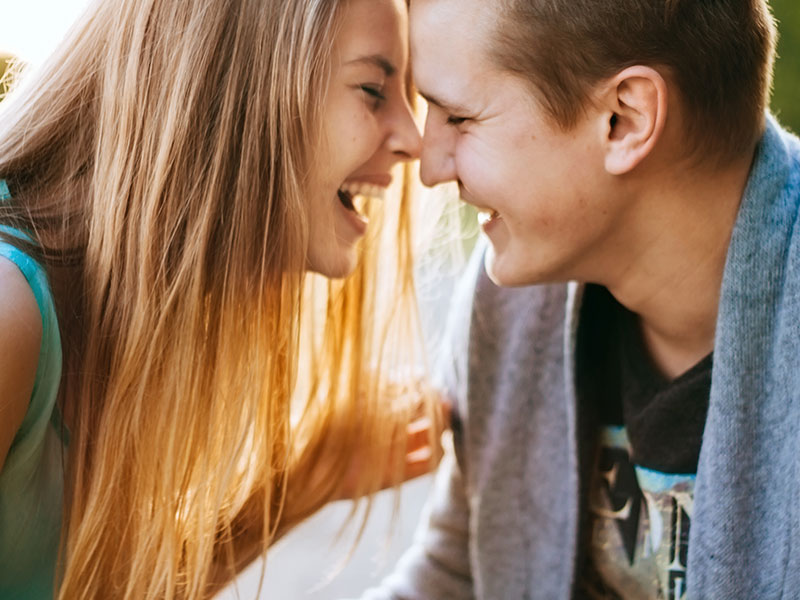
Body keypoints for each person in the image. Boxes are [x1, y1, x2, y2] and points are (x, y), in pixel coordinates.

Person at [359, 0, 800, 598]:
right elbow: (458, 573)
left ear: (625, 118)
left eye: (459, 118)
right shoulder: (511, 298)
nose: (430, 167)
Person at [0, 0, 437, 597]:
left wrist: (309, 482)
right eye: (372, 88)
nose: (416, 140)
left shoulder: (121, 319)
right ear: (236, 85)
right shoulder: (8, 311)